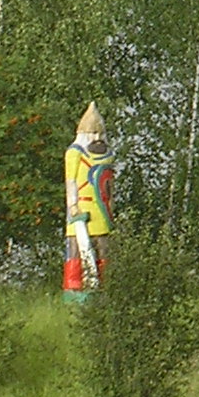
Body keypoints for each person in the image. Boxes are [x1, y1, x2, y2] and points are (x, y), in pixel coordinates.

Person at [64, 103, 117, 293]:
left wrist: (111, 209)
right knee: (76, 251)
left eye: (98, 133)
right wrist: (73, 205)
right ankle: (74, 288)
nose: (95, 138)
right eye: (91, 133)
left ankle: (103, 287)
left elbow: (108, 185)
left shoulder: (108, 155)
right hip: (80, 211)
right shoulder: (74, 153)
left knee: (102, 249)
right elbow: (71, 180)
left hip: (101, 213)